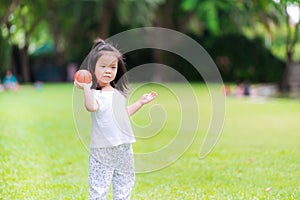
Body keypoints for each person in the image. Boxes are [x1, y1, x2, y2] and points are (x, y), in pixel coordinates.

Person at [74, 38, 157, 200]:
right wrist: (86, 87)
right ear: (93, 69)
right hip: (103, 149)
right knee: (99, 186)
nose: (108, 71)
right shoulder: (95, 94)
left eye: (113, 67)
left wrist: (140, 102)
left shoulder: (118, 93)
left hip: (124, 146)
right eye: (103, 66)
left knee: (124, 183)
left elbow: (122, 115)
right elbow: (91, 107)